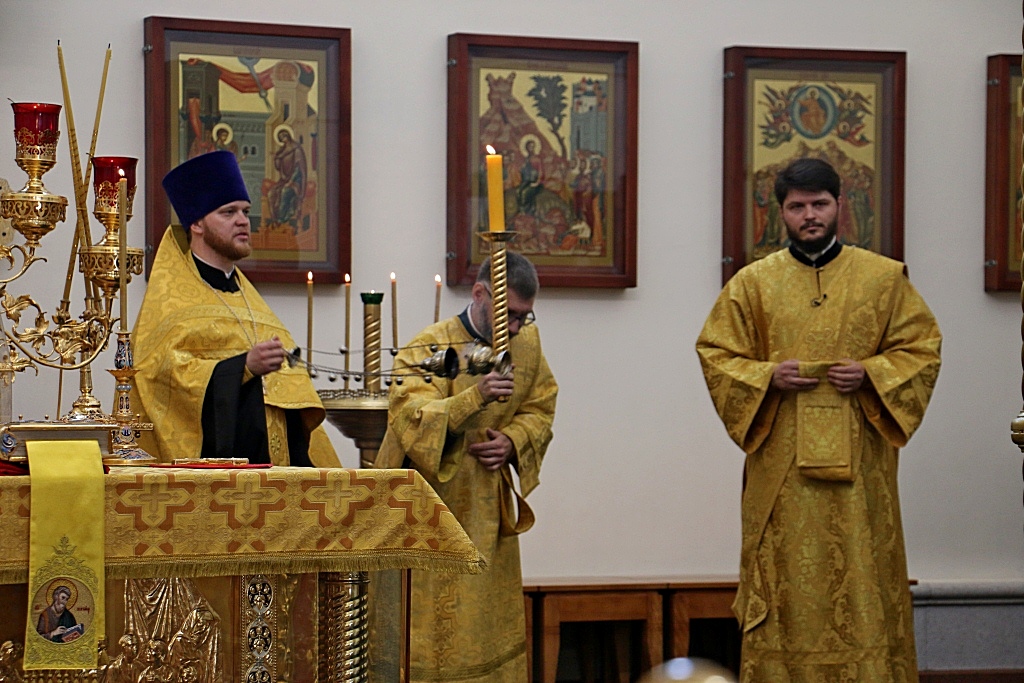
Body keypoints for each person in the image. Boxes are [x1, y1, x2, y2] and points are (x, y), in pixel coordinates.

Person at [696, 157, 941, 682]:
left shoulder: (883, 278)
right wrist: (768, 376)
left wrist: (872, 373)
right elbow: (716, 354)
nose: (809, 215)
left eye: (819, 204)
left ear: (840, 206)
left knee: (862, 573)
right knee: (786, 574)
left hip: (862, 471)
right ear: (781, 212)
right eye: (797, 206)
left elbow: (921, 349)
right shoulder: (751, 284)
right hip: (782, 471)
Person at [375, 252, 558, 682]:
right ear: (480, 294)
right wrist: (475, 397)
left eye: (525, 317)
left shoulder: (527, 345)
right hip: (428, 515)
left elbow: (541, 406)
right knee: (428, 633)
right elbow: (410, 417)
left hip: (487, 515)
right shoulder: (431, 346)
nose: (517, 327)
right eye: (511, 315)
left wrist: (513, 441)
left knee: (483, 628)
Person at [132, 150, 338, 467]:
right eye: (228, 212)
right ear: (197, 223)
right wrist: (243, 367)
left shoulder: (250, 300)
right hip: (217, 478)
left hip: (277, 473)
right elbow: (160, 378)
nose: (243, 221)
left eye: (245, 211)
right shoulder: (171, 301)